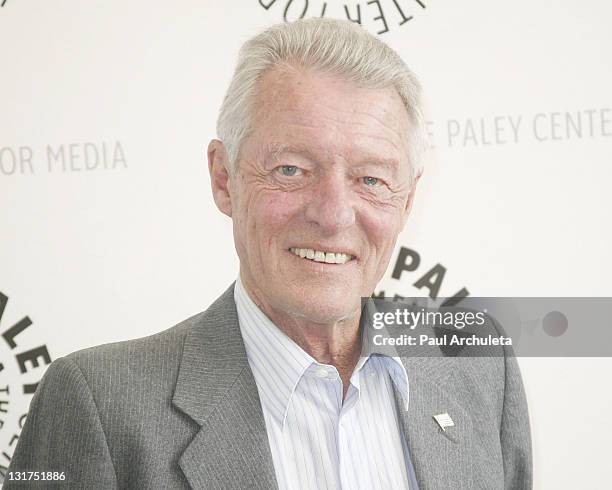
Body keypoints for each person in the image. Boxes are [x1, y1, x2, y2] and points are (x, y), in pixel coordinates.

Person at [5, 18, 531, 489]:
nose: (333, 214)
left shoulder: (476, 363)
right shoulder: (97, 405)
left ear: (406, 200)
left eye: (370, 179)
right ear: (223, 177)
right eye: (292, 170)